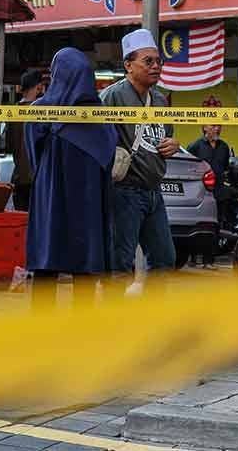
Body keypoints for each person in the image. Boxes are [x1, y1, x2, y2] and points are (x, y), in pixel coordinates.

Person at [26, 49, 117, 309]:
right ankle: (81, 329)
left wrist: (46, 175)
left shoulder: (41, 111)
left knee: (48, 255)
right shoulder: (99, 116)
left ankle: (41, 327)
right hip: (88, 200)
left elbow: (33, 154)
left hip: (50, 195)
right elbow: (109, 154)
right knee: (84, 260)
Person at [101, 29, 180, 288]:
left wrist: (172, 144)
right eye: (148, 61)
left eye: (159, 61)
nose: (156, 66)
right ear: (128, 65)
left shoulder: (159, 100)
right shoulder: (112, 97)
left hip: (154, 192)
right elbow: (97, 139)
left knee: (164, 259)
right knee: (120, 265)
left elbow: (166, 135)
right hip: (124, 192)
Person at [188, 125, 232, 266]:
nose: (217, 129)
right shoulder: (195, 146)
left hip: (218, 193)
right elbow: (189, 167)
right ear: (204, 128)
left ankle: (209, 261)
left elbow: (225, 168)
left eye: (219, 126)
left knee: (215, 227)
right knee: (198, 225)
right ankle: (193, 258)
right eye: (213, 126)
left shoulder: (224, 147)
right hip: (201, 192)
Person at [4, 68, 44, 212]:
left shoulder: (12, 112)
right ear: (39, 87)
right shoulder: (44, 112)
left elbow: (8, 145)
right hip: (39, 179)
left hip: (19, 178)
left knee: (22, 225)